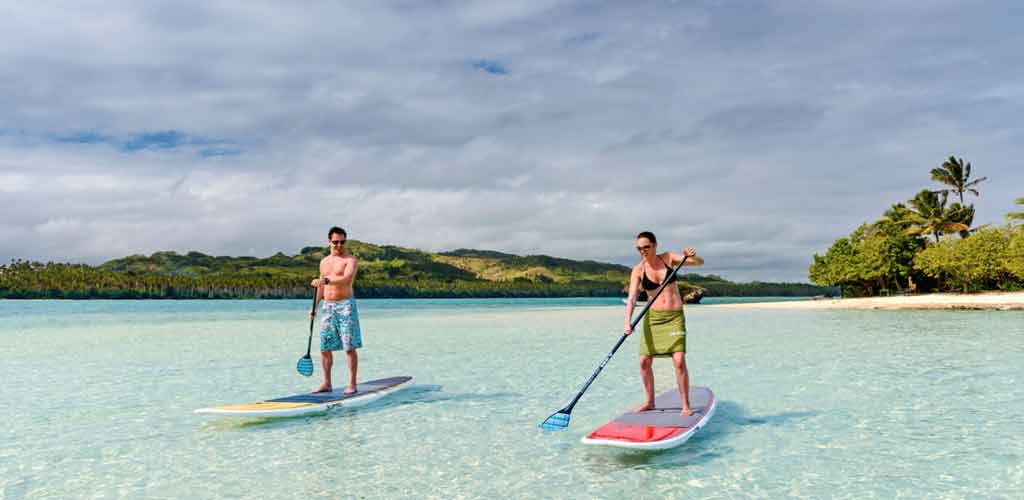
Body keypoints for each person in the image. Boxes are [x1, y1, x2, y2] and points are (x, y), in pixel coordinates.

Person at [623, 231, 704, 416]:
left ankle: (685, 405)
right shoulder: (638, 270)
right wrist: (627, 322)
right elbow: (632, 297)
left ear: (655, 245)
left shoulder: (668, 258)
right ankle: (650, 402)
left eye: (646, 247)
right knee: (644, 361)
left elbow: (699, 263)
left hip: (674, 317)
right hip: (653, 319)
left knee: (679, 360)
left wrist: (692, 256)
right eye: (639, 248)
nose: (643, 251)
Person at [308, 226, 362, 394]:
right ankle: (327, 383)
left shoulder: (350, 260)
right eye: (336, 242)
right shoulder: (324, 262)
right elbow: (321, 289)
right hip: (328, 306)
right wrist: (314, 308)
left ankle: (352, 384)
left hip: (345, 305)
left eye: (342, 242)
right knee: (325, 347)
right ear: (329, 241)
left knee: (349, 346)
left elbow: (345, 279)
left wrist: (324, 280)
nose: (339, 245)